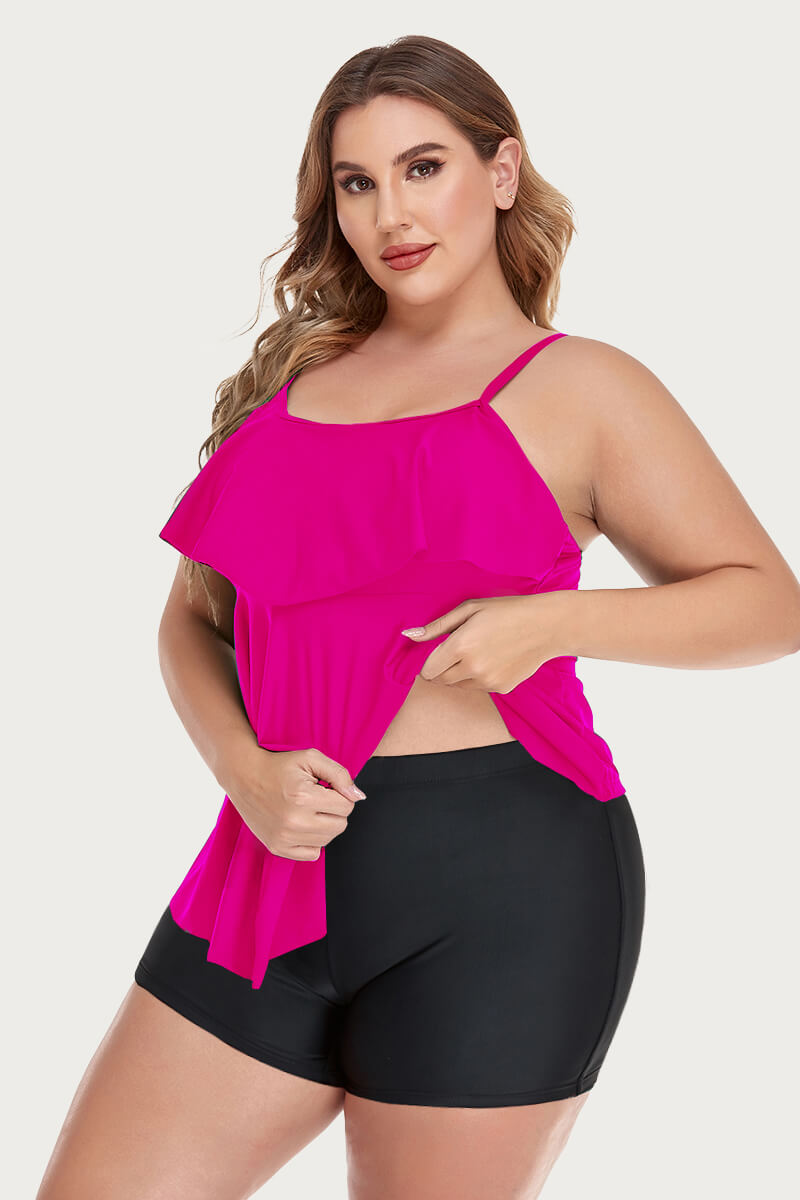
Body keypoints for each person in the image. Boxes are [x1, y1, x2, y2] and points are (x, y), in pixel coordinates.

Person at [36, 34, 800, 1200]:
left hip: (506, 889)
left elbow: (767, 603)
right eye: (356, 182)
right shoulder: (290, 393)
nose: (390, 212)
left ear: (500, 171)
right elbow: (188, 623)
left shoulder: (581, 387)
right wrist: (241, 767)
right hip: (265, 867)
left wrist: (552, 625)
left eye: (423, 166)